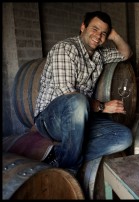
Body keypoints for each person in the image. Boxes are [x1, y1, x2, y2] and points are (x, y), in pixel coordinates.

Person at [34, 11, 133, 175]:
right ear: (82, 27)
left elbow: (126, 54)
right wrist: (102, 107)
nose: (98, 36)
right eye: (94, 29)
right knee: (77, 101)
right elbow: (67, 94)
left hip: (80, 118)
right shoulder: (65, 49)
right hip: (51, 119)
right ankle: (68, 173)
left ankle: (60, 155)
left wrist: (114, 35)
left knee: (124, 136)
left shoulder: (99, 55)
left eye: (103, 33)